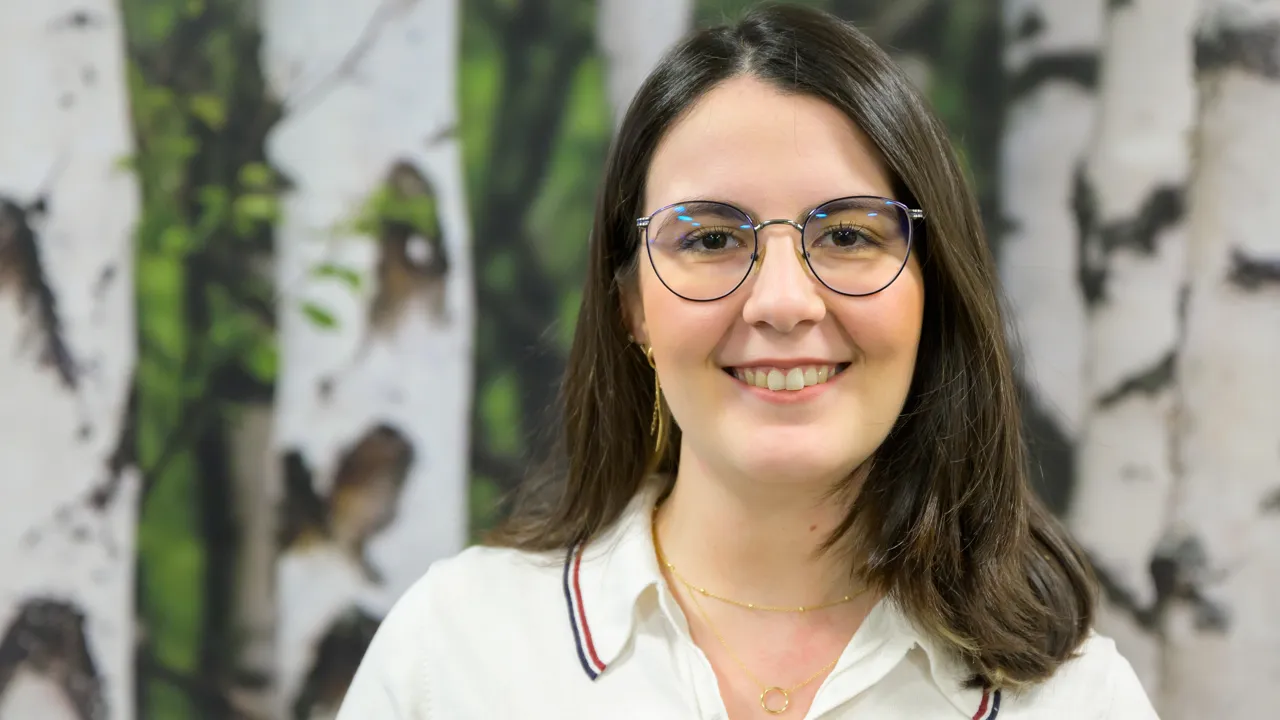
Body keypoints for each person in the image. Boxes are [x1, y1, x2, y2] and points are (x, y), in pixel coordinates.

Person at [335, 5, 1159, 718]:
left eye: (847, 234)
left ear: (931, 291)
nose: (783, 302)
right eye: (711, 239)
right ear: (631, 308)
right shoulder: (454, 652)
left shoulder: (1074, 700)